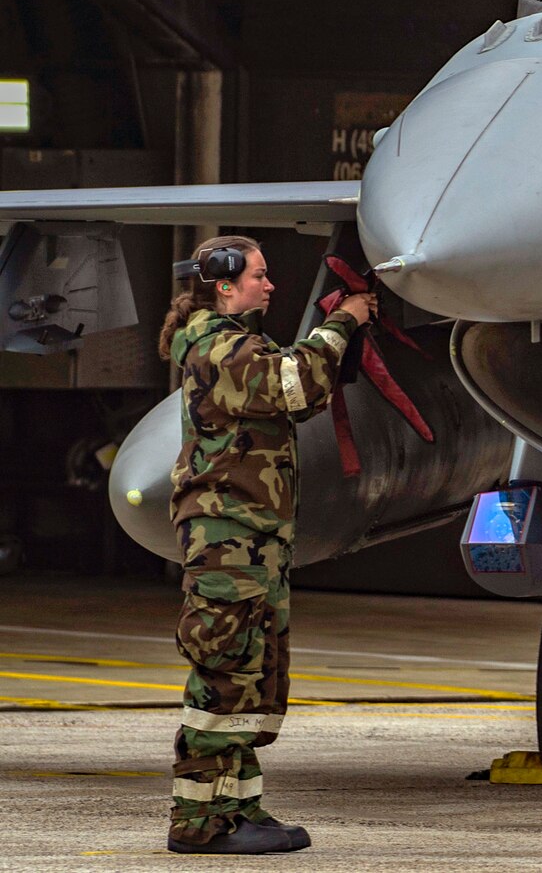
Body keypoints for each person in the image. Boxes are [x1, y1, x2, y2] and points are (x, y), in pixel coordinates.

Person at [157, 236, 374, 855]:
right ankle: (198, 823)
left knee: (254, 674)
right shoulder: (221, 347)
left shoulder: (234, 342)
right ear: (225, 285)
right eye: (260, 275)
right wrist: (344, 320)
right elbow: (297, 385)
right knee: (225, 675)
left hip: (253, 540)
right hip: (229, 541)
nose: (270, 284)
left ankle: (236, 806)